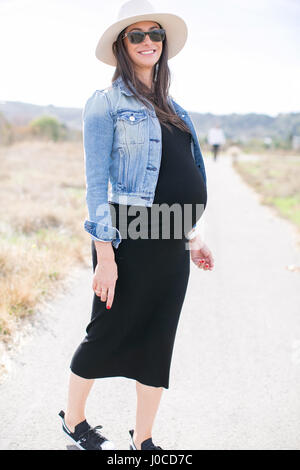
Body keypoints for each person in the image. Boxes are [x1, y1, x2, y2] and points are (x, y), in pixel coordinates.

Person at [58, 0, 214, 451]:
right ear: (121, 45)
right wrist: (104, 257)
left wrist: (191, 235)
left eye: (155, 34)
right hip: (127, 237)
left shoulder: (175, 108)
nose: (148, 42)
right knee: (106, 331)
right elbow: (96, 186)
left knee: (159, 336)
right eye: (137, 35)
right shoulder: (105, 104)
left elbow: (177, 175)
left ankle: (143, 438)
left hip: (170, 237)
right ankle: (74, 419)